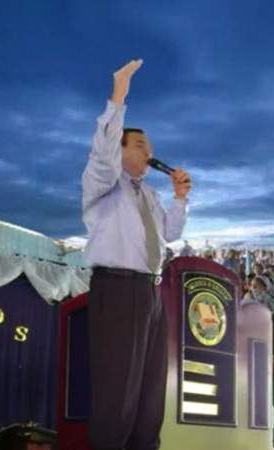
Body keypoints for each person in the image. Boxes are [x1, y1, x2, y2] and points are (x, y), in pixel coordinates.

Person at [82, 60, 192, 450]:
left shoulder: (150, 194)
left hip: (150, 293)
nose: (149, 152)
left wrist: (180, 198)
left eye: (150, 146)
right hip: (117, 289)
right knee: (118, 397)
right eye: (141, 144)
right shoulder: (103, 185)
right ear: (122, 150)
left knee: (149, 397)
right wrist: (118, 95)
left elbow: (170, 235)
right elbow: (102, 151)